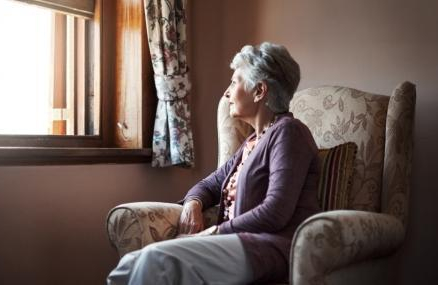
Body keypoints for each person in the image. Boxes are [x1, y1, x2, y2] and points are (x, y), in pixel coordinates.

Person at [107, 42, 320, 284]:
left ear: (260, 91)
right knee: (129, 265)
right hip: (236, 244)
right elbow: (210, 184)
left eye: (234, 82)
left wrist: (215, 231)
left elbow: (276, 211)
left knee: (155, 259)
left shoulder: (289, 133)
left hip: (272, 247)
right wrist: (193, 203)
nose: (227, 92)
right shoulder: (251, 142)